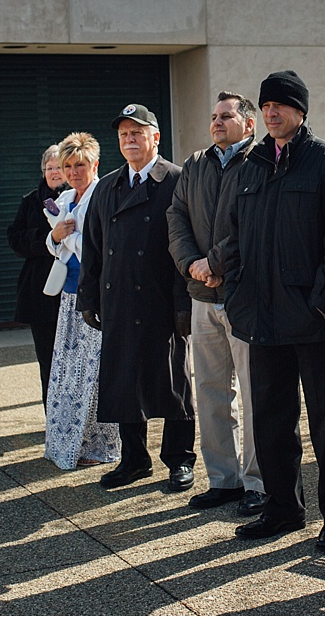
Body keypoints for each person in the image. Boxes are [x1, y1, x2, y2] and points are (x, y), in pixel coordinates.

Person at [214, 70, 325, 549]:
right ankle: (283, 510)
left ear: (301, 111)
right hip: (262, 319)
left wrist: (322, 303)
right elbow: (231, 239)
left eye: (281, 104)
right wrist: (238, 297)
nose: (272, 112)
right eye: (266, 106)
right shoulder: (251, 165)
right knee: (272, 421)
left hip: (317, 323)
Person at [78, 104, 197, 490]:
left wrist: (184, 304)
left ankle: (179, 459)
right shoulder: (107, 186)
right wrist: (88, 298)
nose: (130, 140)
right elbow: (93, 247)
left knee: (174, 382)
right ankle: (133, 460)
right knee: (124, 381)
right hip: (118, 302)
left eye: (137, 133)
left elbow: (187, 245)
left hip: (163, 301)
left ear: (155, 138)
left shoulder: (177, 180)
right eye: (124, 134)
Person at [168, 92, 266, 515]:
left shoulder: (261, 163)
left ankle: (259, 483)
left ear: (249, 123)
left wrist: (215, 262)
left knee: (254, 392)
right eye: (213, 116)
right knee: (209, 392)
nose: (217, 122)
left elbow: (253, 225)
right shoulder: (195, 164)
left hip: (245, 297)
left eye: (226, 116)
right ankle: (223, 480)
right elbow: (176, 218)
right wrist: (192, 264)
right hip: (202, 297)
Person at [42, 133, 118, 470]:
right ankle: (68, 441)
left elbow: (98, 251)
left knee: (96, 374)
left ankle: (99, 446)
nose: (73, 171)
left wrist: (68, 236)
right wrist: (55, 236)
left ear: (95, 164)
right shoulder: (66, 197)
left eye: (80, 165)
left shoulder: (105, 194)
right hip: (69, 296)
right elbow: (55, 246)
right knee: (68, 374)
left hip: (97, 297)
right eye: (67, 166)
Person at [7, 145, 68, 404]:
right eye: (49, 167)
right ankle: (52, 417)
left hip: (74, 291)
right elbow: (15, 239)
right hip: (41, 292)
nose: (54, 172)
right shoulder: (31, 201)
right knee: (49, 361)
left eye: (59, 167)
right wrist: (48, 239)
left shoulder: (83, 196)